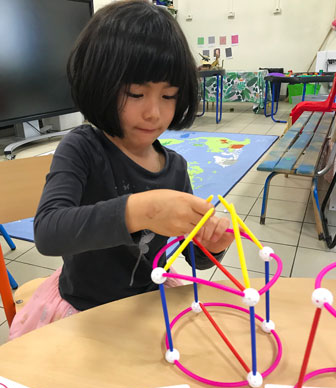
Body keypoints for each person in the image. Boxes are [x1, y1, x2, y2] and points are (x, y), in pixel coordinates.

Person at [9, 0, 234, 339]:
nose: (154, 113)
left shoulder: (175, 167)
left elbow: (192, 255)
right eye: (136, 93)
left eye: (169, 95)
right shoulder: (81, 148)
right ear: (100, 83)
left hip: (148, 305)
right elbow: (48, 232)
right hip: (83, 309)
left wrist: (213, 244)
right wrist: (139, 210)